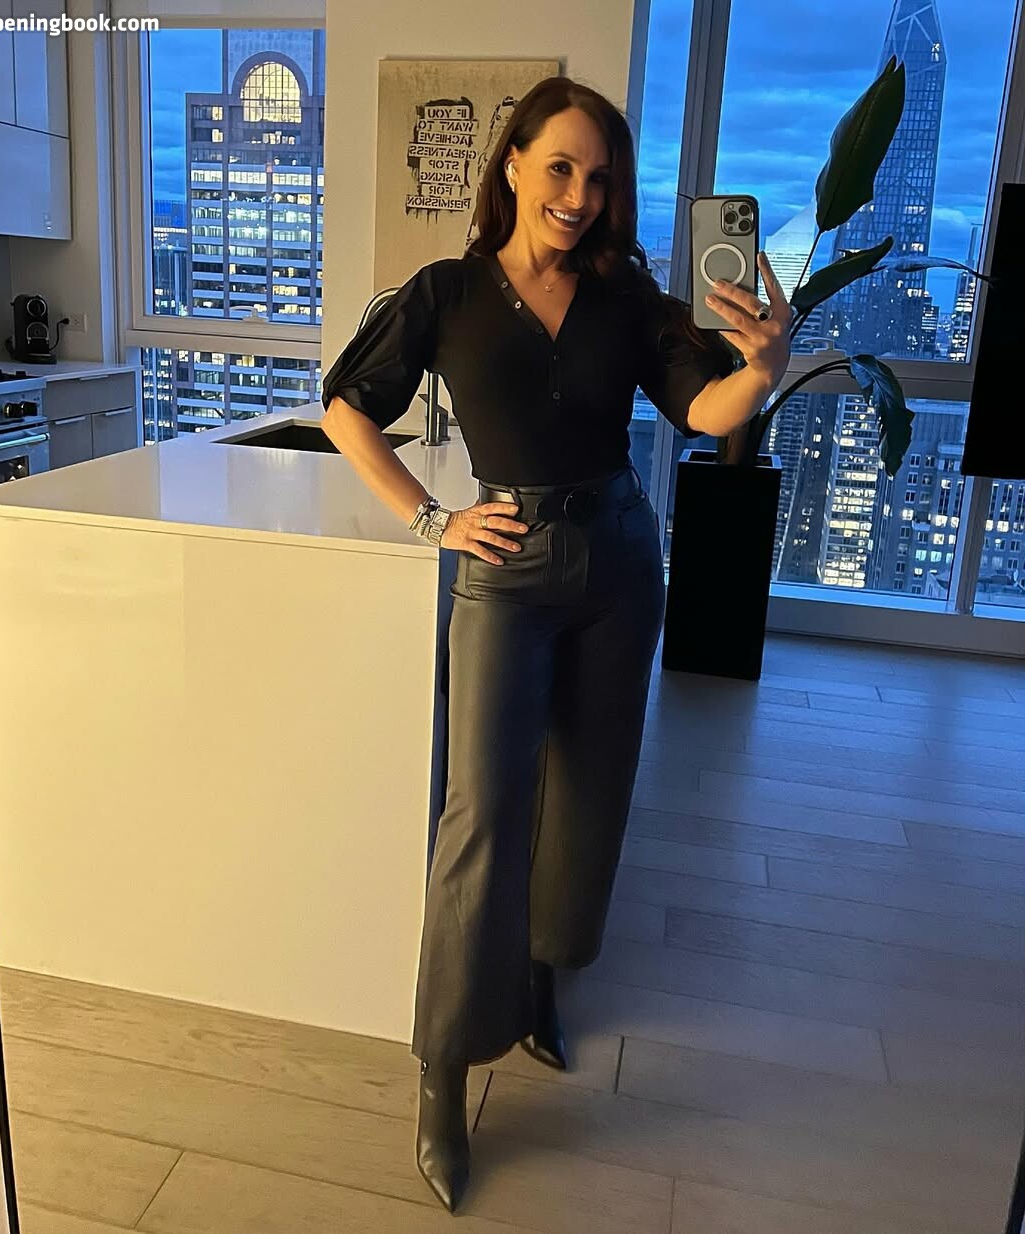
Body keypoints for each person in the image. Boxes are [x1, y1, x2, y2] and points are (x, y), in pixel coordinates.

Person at [320, 75, 790, 1215]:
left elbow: (702, 412)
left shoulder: (625, 295)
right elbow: (345, 404)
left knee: (587, 792)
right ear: (516, 163)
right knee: (480, 814)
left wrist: (763, 368)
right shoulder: (446, 293)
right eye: (562, 167)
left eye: (599, 176)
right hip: (505, 568)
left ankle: (540, 986)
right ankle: (442, 1070)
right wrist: (431, 520)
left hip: (620, 561)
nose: (579, 195)